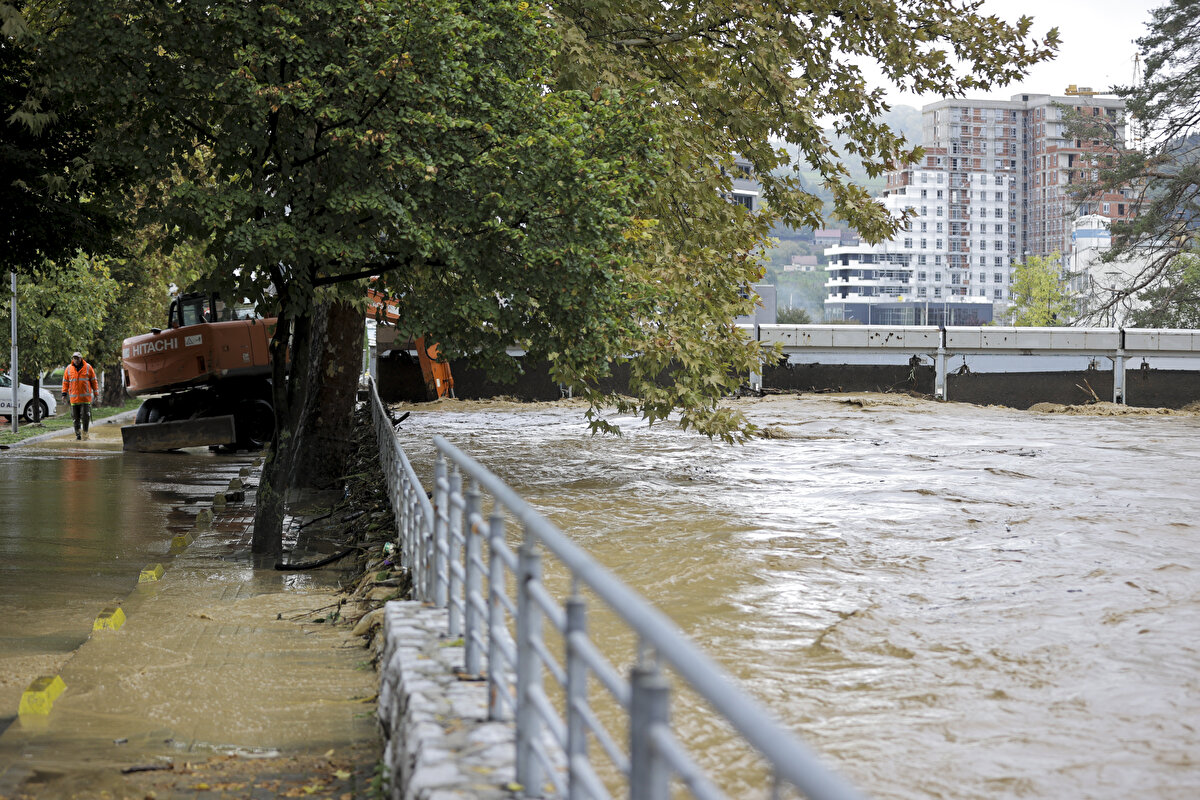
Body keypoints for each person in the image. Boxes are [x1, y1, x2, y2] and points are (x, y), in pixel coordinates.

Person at [62, 351, 99, 440]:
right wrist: (64, 394)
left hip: (85, 399)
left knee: (85, 416)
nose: (76, 360)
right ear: (72, 359)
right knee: (75, 418)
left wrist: (96, 393)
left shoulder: (88, 367)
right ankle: (78, 435)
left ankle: (85, 434)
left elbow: (94, 381)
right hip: (74, 399)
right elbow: (65, 382)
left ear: (81, 358)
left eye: (77, 358)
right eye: (74, 358)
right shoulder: (68, 369)